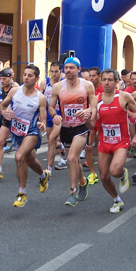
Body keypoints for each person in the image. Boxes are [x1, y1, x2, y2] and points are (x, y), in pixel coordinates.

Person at [93, 68, 136, 213]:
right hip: (104, 142)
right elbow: (91, 125)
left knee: (114, 170)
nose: (107, 83)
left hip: (121, 141)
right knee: (103, 176)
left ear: (116, 82)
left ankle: (122, 174)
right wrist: (86, 118)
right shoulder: (96, 99)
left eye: (110, 80)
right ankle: (117, 200)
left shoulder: (124, 97)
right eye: (104, 80)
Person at [0, 65, 49, 207]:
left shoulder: (40, 98)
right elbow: (1, 106)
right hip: (16, 131)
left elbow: (43, 119)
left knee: (19, 157)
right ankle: (43, 176)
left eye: (30, 75)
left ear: (37, 79)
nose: (26, 77)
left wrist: (42, 125)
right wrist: (4, 112)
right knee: (30, 160)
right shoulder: (15, 91)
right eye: (25, 74)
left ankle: (22, 193)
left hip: (31, 132)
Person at [48, 57, 96, 206]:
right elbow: (50, 106)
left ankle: (72, 191)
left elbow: (94, 107)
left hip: (81, 127)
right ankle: (83, 181)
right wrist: (55, 115)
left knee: (71, 158)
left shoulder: (87, 86)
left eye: (72, 67)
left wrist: (87, 112)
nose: (68, 70)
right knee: (73, 161)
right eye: (66, 67)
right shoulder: (58, 87)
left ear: (78, 69)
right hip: (65, 128)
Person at [40, 61, 66, 174]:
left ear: (61, 71)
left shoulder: (64, 83)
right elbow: (39, 98)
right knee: (52, 140)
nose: (54, 74)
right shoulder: (44, 82)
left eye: (56, 72)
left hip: (60, 114)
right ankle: (62, 148)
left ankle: (50, 168)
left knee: (53, 139)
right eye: (52, 71)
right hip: (48, 113)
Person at [0, 68, 19, 179]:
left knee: (21, 147)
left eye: (4, 79)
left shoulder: (16, 88)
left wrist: (8, 108)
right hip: (7, 119)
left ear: (10, 78)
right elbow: (6, 102)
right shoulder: (2, 87)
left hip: (17, 119)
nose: (2, 81)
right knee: (0, 142)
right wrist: (1, 107)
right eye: (0, 79)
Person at [83, 66, 102, 184]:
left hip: (103, 119)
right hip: (91, 119)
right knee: (88, 146)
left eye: (94, 76)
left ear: (99, 77)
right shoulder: (87, 88)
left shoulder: (104, 88)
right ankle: (93, 173)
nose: (91, 78)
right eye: (90, 75)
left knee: (103, 146)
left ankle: (106, 167)